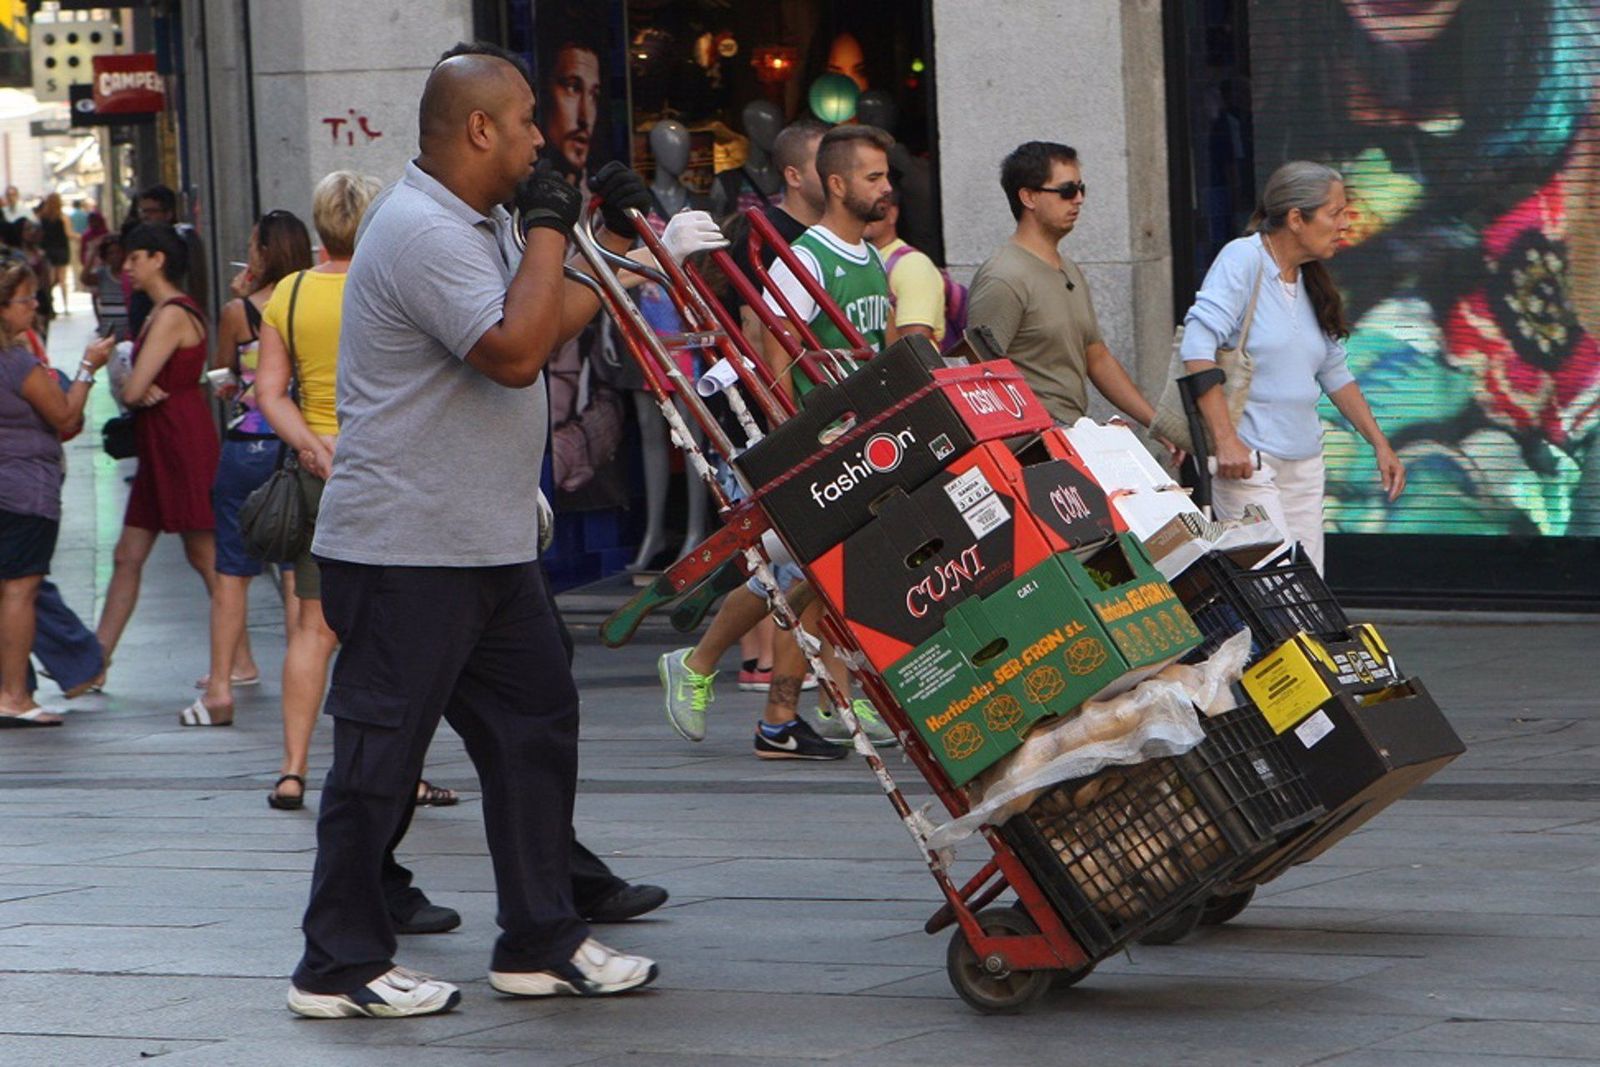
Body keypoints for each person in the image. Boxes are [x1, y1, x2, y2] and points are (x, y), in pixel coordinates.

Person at [286, 48, 662, 1018]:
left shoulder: (483, 222)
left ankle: (540, 937)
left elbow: (551, 314)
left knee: (536, 724)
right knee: (382, 755)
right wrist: (549, 225)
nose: (544, 137)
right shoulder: (417, 228)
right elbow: (513, 350)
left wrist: (602, 245)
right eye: (531, 119)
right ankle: (336, 961)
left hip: (486, 541)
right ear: (480, 129)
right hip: (403, 546)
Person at [1179, 160, 1406, 574]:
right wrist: (1226, 441)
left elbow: (1335, 372)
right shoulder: (1243, 259)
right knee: (1271, 588)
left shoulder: (1309, 279)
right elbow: (1197, 347)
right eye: (1335, 212)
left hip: (1304, 464)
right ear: (1297, 218)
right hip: (1249, 461)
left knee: (1305, 593)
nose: (1345, 223)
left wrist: (1379, 443)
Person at [254, 174, 381, 805]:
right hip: (384, 471)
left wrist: (309, 445)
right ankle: (396, 772)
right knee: (386, 627)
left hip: (316, 473)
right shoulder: (388, 283)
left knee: (311, 628)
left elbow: (268, 393)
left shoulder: (290, 292)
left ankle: (292, 769)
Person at [183, 210, 315, 731]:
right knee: (293, 579)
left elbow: (222, 376)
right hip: (296, 446)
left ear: (261, 252)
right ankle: (298, 687)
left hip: (246, 448)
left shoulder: (239, 311)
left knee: (232, 574)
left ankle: (219, 689)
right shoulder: (309, 301)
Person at [92, 225, 221, 697]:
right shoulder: (164, 312)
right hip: (163, 441)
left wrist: (135, 385)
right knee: (128, 554)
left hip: (178, 441)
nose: (126, 267)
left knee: (204, 554)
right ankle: (95, 660)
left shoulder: (170, 314)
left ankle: (238, 659)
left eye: (134, 258)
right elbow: (134, 387)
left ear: (158, 259)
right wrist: (136, 386)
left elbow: (129, 386)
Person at [967, 141, 1157, 428]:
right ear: (1029, 197)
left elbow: (1096, 356)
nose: (1078, 199)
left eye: (1082, 189)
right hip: (1034, 448)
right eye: (1067, 191)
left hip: (1070, 435)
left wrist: (1156, 424)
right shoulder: (1004, 277)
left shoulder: (1068, 269)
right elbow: (980, 378)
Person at [0, 259, 113, 725]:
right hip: (26, 490)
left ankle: (13, 689)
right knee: (21, 591)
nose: (35, 307)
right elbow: (65, 418)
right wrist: (89, 367)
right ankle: (14, 697)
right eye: (25, 299)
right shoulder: (18, 365)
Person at [760, 123, 897, 398]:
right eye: (873, 178)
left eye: (886, 176)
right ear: (837, 184)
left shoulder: (872, 255)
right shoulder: (804, 260)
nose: (887, 187)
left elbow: (891, 349)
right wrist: (796, 438)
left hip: (876, 420)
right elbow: (777, 365)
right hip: (830, 432)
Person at [863, 187, 947, 346]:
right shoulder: (864, 259)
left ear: (892, 214)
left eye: (878, 208)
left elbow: (915, 344)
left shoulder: (912, 265)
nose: (867, 215)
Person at [36, 196, 71, 316]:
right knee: (62, 280)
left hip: (48, 251)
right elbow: (68, 233)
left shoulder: (42, 218)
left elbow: (39, 234)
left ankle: (50, 304)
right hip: (61, 250)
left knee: (50, 280)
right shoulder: (63, 217)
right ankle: (66, 306)